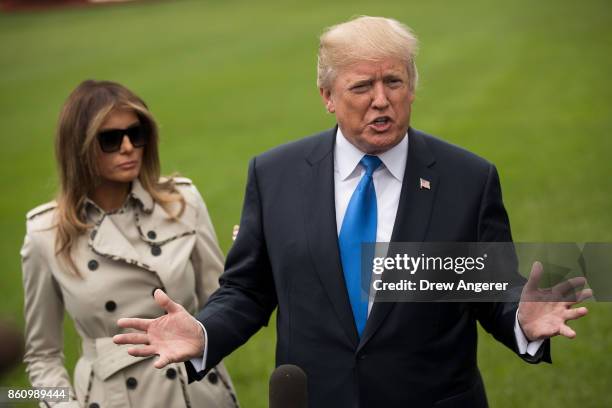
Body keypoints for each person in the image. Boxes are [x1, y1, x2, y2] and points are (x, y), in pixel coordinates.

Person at [114, 17, 590, 407]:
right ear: (327, 97)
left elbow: (489, 287)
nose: (380, 100)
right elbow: (248, 288)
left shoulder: (467, 178)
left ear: (412, 87)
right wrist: (202, 330)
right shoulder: (274, 174)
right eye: (362, 86)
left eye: (394, 82)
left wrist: (519, 320)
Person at [21, 80, 238, 408]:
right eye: (110, 139)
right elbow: (42, 356)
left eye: (136, 134)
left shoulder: (182, 202)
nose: (128, 147)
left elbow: (224, 303)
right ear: (78, 148)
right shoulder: (46, 234)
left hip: (197, 391)